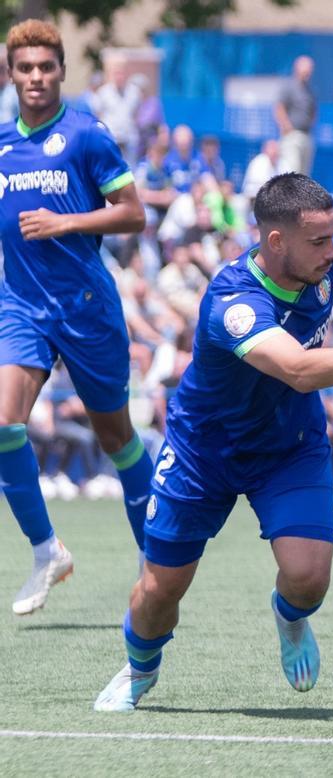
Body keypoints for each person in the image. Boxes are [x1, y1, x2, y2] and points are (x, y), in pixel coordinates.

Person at [93, 173, 333, 711]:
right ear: (275, 241)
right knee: (159, 590)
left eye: (332, 238)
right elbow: (300, 369)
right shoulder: (234, 302)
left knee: (308, 578)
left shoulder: (322, 250)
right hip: (203, 452)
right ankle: (140, 669)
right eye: (318, 243)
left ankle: (289, 618)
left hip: (290, 443)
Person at [0, 20, 153, 615]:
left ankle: (153, 559)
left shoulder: (87, 135)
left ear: (62, 70)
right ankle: (46, 551)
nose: (36, 77)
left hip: (87, 308)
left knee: (116, 439)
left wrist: (64, 223)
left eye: (46, 67)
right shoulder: (3, 147)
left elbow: (134, 214)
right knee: (5, 423)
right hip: (22, 305)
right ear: (11, 75)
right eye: (24, 68)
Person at [275, 56, 316, 175]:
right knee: (292, 174)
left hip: (306, 135)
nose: (308, 71)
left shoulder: (309, 90)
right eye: (306, 68)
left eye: (310, 69)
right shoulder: (289, 87)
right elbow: (279, 108)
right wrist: (287, 126)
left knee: (303, 177)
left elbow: (313, 110)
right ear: (297, 68)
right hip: (292, 136)